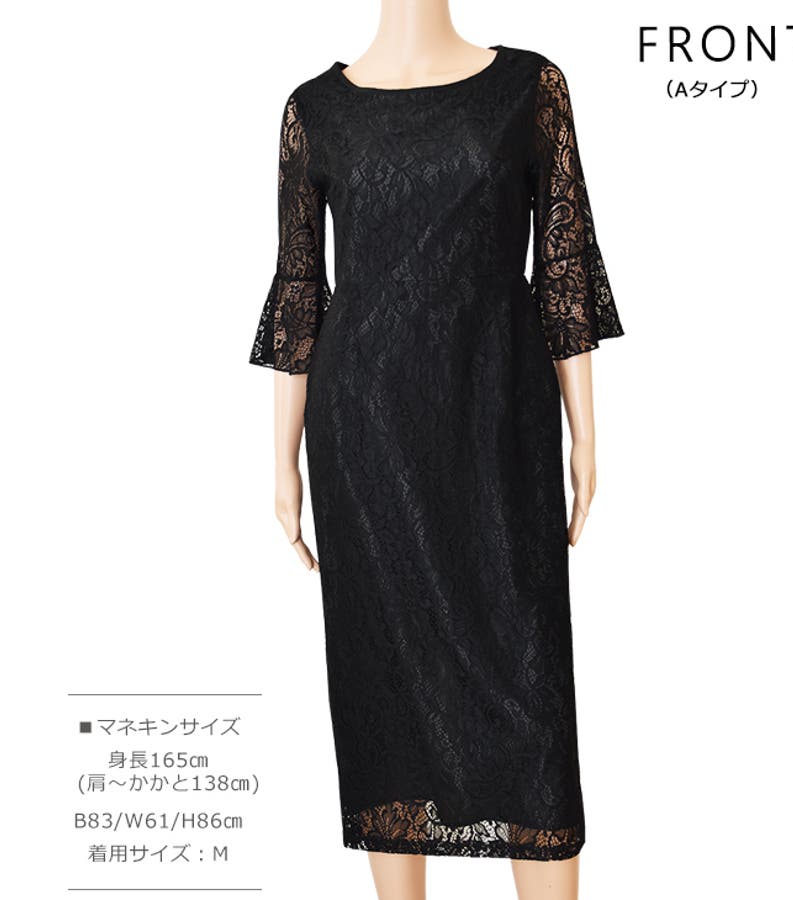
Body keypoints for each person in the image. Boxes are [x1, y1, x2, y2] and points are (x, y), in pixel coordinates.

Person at [249, 6, 624, 899]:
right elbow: (301, 285)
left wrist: (587, 435)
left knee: (528, 692)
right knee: (388, 689)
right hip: (363, 435)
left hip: (499, 416)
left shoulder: (529, 87)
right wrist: (281, 461)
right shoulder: (314, 110)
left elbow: (563, 263)